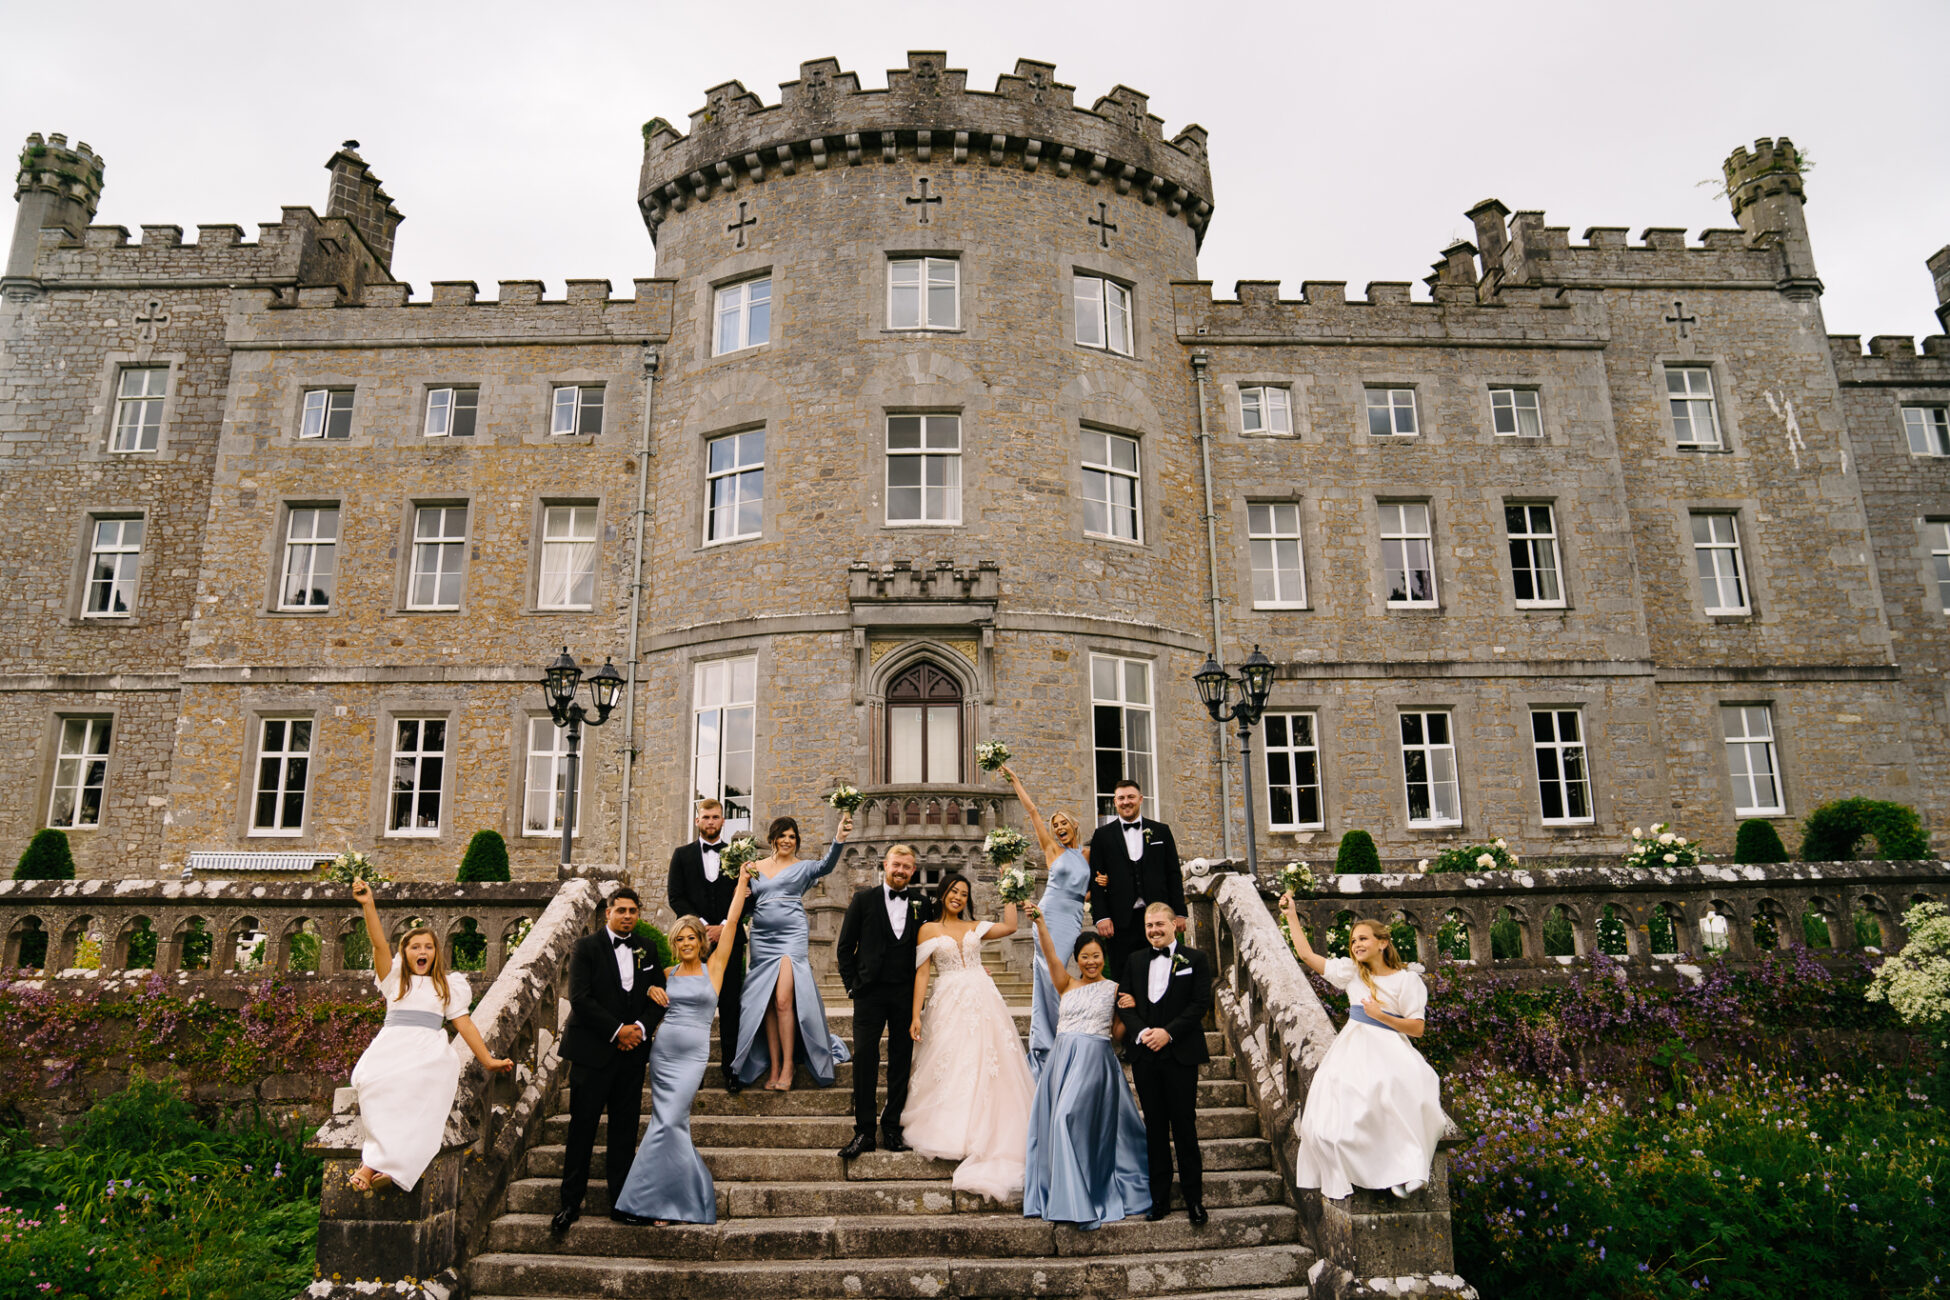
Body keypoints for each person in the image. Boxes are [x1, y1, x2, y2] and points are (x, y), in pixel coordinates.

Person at [345, 879, 512, 1193]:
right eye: (414, 946)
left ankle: (371, 1168)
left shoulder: (448, 986)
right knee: (374, 1083)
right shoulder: (393, 980)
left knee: (416, 1088)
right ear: (405, 953)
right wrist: (368, 904)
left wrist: (487, 1059)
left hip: (427, 1050)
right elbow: (379, 944)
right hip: (393, 1044)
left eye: (428, 947)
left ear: (436, 953)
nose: (422, 951)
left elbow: (465, 1025)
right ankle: (387, 1167)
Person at [1278, 895, 1449, 1201]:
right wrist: (1292, 914)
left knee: (1403, 1092)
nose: (1356, 944)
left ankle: (1408, 1169)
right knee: (1349, 1109)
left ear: (1382, 942)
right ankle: (1378, 1171)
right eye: (1353, 940)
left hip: (1391, 1045)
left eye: (1363, 938)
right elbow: (1306, 954)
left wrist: (1381, 1015)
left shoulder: (1407, 981)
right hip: (1354, 1047)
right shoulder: (1352, 973)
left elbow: (1418, 1028)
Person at [613, 868, 753, 1225]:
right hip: (663, 1054)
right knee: (668, 1122)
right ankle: (669, 1202)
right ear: (674, 944)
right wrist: (648, 991)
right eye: (681, 939)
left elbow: (733, 922)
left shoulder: (715, 968)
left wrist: (740, 885)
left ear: (701, 941)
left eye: (692, 938)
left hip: (693, 1057)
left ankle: (653, 1200)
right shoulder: (666, 974)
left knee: (671, 1120)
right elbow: (633, 996)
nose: (687, 943)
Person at [900, 873, 1035, 1198]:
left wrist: (1009, 887)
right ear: (943, 893)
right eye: (953, 891)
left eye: (964, 893)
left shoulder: (976, 925)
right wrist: (916, 1013)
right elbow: (923, 972)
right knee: (955, 1061)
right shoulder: (927, 929)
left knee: (987, 1061)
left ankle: (989, 1131)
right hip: (947, 998)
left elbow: (1011, 927)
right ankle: (953, 1130)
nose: (958, 897)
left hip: (982, 998)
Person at [1021, 903, 1150, 1229]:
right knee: (1059, 1120)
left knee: (1066, 1118)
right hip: (1062, 1062)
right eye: (1085, 956)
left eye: (1096, 956)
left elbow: (1118, 1035)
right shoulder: (1065, 983)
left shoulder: (1114, 989)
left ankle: (1081, 1195)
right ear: (1077, 960)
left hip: (1095, 1062)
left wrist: (1132, 1008)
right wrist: (1041, 922)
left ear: (1103, 957)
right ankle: (1064, 1194)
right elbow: (1049, 954)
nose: (1091, 962)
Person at [552, 887, 670, 1234]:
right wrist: (618, 1030)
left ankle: (622, 1203)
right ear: (608, 912)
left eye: (633, 910)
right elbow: (580, 998)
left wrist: (640, 1029)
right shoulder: (585, 947)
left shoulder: (647, 948)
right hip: (592, 1053)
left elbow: (657, 997)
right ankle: (570, 1203)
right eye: (621, 910)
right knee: (581, 1130)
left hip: (631, 1056)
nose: (628, 916)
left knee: (624, 1132)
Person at [731, 812, 853, 1091]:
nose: (787, 840)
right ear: (772, 838)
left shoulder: (804, 866)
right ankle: (773, 1066)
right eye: (783, 835)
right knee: (769, 1003)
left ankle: (788, 1067)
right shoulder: (754, 867)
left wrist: (839, 839)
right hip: (762, 937)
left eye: (792, 837)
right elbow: (745, 902)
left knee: (784, 999)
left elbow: (826, 865)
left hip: (791, 936)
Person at [1116, 901, 1213, 1225]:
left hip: (1180, 1053)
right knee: (1154, 1129)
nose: (1154, 930)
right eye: (1149, 926)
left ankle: (1194, 1200)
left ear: (1174, 926)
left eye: (1159, 924)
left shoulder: (1195, 959)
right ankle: (1159, 1200)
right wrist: (1143, 1032)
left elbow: (1200, 1003)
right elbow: (1124, 1003)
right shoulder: (1134, 960)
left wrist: (1167, 1033)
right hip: (1145, 1055)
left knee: (1184, 1127)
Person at [834, 842, 927, 1158]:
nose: (900, 871)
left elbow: (945, 933)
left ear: (913, 870)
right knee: (864, 1060)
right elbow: (845, 948)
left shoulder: (921, 903)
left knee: (901, 1062)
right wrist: (852, 987)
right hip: (869, 994)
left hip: (905, 993)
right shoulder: (863, 900)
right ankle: (864, 1132)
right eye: (895, 865)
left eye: (906, 866)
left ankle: (892, 1128)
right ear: (884, 866)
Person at [1000, 764, 1091, 1080]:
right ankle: (1046, 1045)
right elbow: (1034, 812)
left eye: (1063, 823)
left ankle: (1061, 1035)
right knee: (1049, 975)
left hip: (1073, 917)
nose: (1058, 827)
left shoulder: (1087, 854)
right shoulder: (1052, 850)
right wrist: (1015, 780)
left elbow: (1085, 890)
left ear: (1074, 826)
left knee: (1061, 973)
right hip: (1049, 916)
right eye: (1055, 825)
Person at [666, 798, 749, 1095]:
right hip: (694, 943)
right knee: (693, 1009)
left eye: (716, 817)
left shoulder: (738, 857)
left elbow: (749, 897)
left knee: (730, 1007)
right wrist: (701, 926)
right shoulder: (682, 855)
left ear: (723, 821)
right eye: (706, 817)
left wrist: (725, 926)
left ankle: (731, 1070)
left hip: (731, 940)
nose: (711, 822)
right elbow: (675, 897)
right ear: (697, 821)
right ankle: (693, 1071)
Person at [1087, 778, 1185, 975]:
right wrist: (1101, 917)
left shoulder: (1161, 831)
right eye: (1121, 798)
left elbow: (1173, 874)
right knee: (1124, 975)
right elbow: (1095, 879)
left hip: (1158, 916)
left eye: (1130, 797)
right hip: (1119, 920)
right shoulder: (1102, 836)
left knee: (1162, 971)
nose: (1126, 802)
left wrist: (1180, 912)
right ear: (1115, 802)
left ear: (1140, 799)